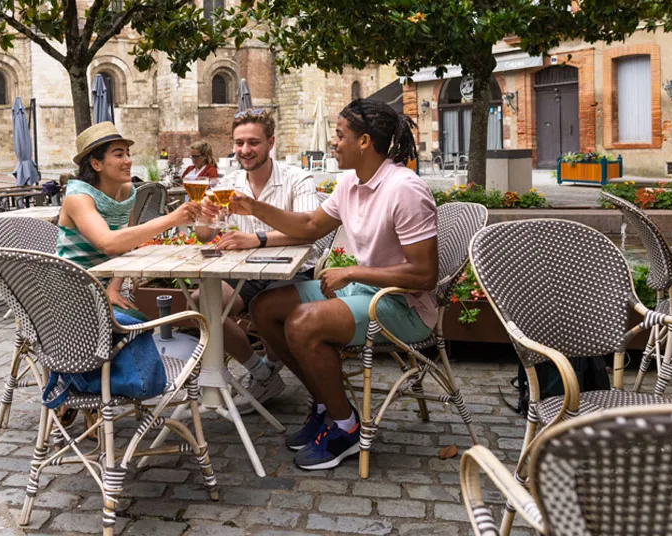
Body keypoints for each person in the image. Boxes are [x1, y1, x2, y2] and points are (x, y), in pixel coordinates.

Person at [228, 99, 438, 471]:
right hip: (366, 293)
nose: (333, 143)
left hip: (403, 305)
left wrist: (354, 273)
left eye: (340, 136)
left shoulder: (404, 189)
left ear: (364, 142)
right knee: (265, 307)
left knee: (303, 321)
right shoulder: (350, 184)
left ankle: (346, 426)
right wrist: (255, 209)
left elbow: (424, 275)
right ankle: (326, 403)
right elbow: (310, 227)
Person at [198, 109, 320, 411]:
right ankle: (261, 371)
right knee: (204, 302)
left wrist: (257, 239)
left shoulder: (297, 179)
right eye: (239, 143)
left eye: (253, 142)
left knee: (267, 307)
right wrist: (204, 214)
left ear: (271, 142)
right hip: (247, 273)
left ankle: (302, 380)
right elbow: (203, 235)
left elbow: (308, 231)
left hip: (291, 273)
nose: (245, 150)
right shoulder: (230, 182)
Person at [57, 121, 200, 322]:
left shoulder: (126, 191)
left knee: (141, 321)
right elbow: (109, 243)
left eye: (128, 153)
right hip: (74, 290)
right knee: (136, 325)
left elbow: (127, 246)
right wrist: (171, 219)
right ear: (96, 164)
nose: (128, 161)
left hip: (106, 287)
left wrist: (113, 288)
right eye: (118, 154)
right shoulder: (78, 197)